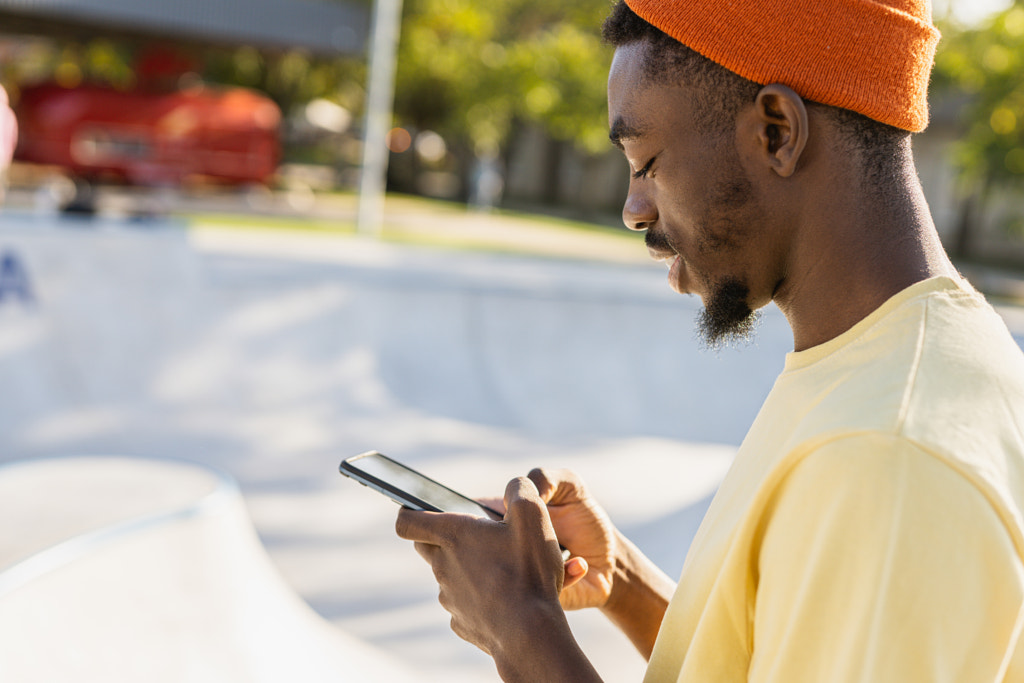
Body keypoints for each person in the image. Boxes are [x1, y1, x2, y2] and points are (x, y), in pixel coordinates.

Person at [396, 0, 1024, 680]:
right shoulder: (894, 363)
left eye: (647, 160)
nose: (634, 208)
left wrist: (524, 634)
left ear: (777, 131)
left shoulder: (887, 455)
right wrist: (628, 584)